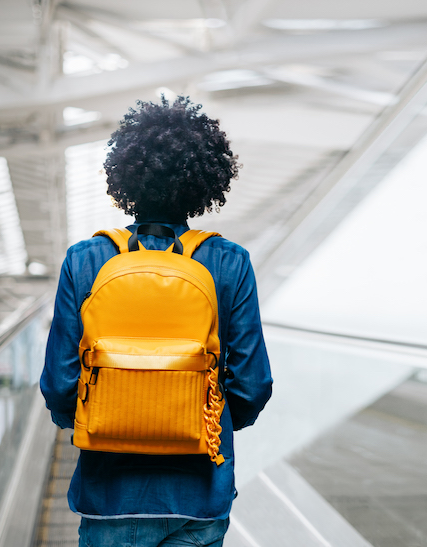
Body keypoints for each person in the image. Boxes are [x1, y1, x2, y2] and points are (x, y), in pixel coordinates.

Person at [41, 96, 273, 547]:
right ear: (205, 180)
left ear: (126, 175)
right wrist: (207, 424)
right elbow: (252, 386)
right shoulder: (229, 263)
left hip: (107, 495)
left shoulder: (86, 260)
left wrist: (102, 420)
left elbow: (58, 385)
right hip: (200, 496)